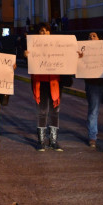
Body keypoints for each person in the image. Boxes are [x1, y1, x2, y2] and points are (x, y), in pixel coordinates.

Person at [25, 22, 64, 151]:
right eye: (41, 31)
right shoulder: (32, 46)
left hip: (54, 82)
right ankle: (41, 141)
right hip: (40, 82)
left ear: (50, 33)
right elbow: (29, 64)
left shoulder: (58, 45)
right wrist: (26, 56)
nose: (44, 33)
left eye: (46, 31)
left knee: (55, 112)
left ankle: (53, 141)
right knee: (42, 112)